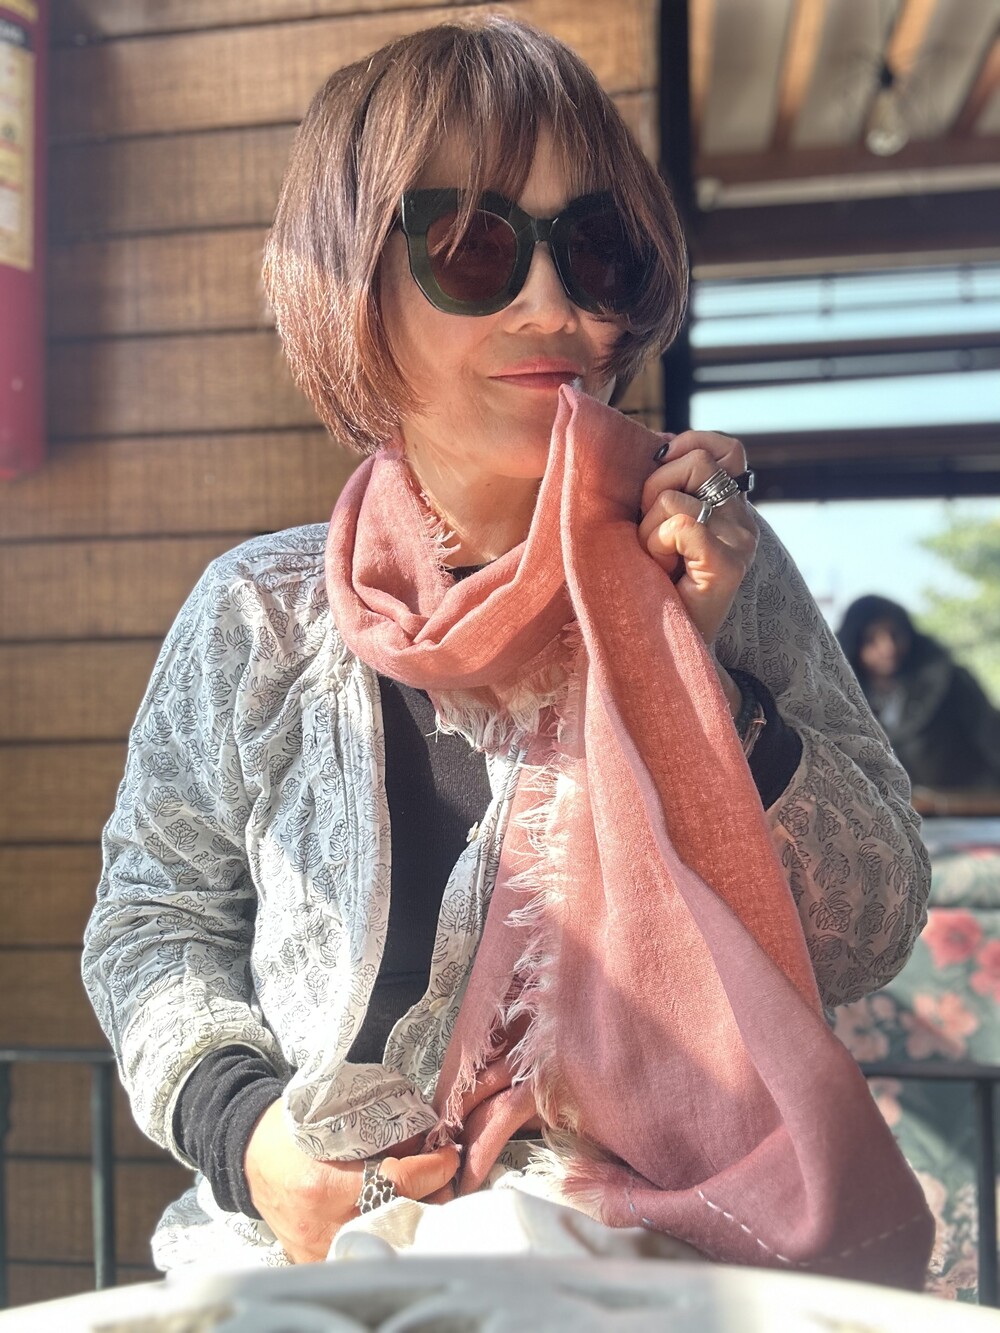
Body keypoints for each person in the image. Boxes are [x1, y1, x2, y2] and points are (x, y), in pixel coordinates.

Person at [82, 17, 933, 1282]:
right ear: (354, 283)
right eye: (474, 245)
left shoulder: (720, 571)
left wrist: (690, 676)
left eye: (596, 248)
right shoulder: (259, 615)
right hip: (302, 1262)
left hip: (656, 1263)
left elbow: (874, 926)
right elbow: (152, 921)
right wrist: (246, 1139)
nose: (554, 304)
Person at [838, 594, 1000, 792]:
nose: (888, 647)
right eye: (872, 639)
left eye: (895, 634)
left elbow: (992, 734)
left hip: (968, 801)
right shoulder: (840, 698)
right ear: (854, 644)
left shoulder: (949, 680)